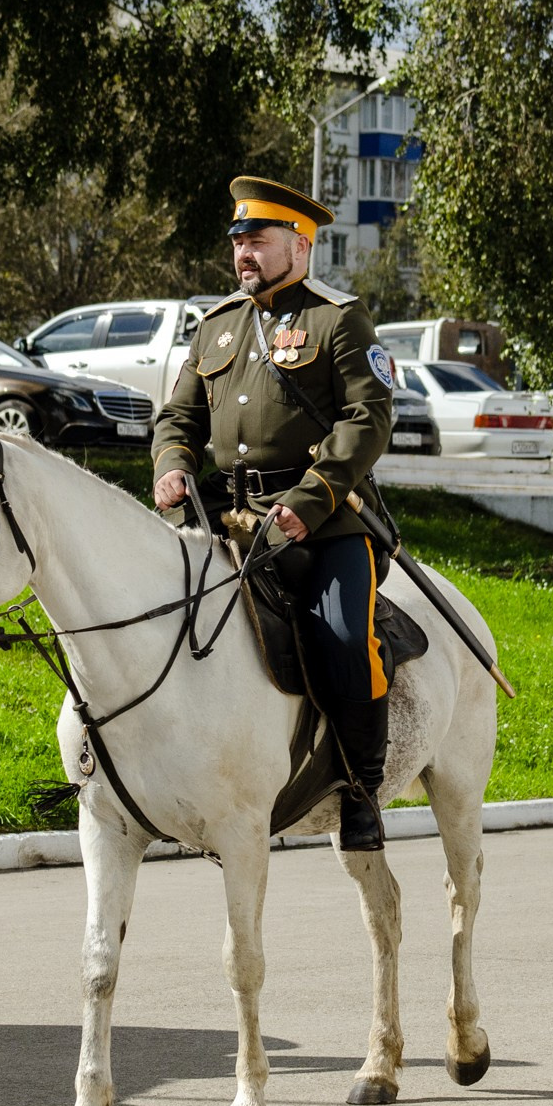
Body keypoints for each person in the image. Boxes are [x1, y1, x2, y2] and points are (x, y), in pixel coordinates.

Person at [153, 176, 396, 851]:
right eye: (239, 242)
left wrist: (310, 500)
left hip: (325, 522)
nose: (244, 255)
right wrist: (172, 463)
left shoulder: (338, 318)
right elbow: (179, 414)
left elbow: (369, 419)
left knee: (345, 640)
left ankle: (360, 793)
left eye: (258, 241)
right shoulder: (218, 324)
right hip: (226, 519)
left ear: (299, 243)